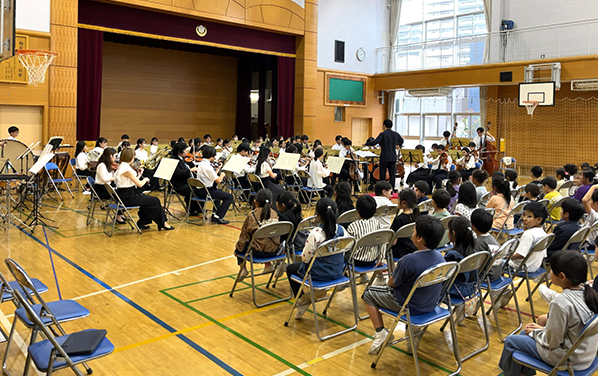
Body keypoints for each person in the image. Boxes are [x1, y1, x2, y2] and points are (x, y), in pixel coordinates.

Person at [498, 250, 598, 376]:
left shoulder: (561, 303)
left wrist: (537, 332)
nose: (549, 272)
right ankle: (525, 372)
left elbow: (551, 342)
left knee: (511, 341)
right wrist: (540, 330)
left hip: (567, 359)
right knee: (525, 333)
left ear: (562, 276)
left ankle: (509, 373)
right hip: (585, 355)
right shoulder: (588, 292)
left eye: (552, 269)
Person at [362, 215, 446, 355]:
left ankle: (380, 332)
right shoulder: (441, 257)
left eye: (414, 231)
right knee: (413, 291)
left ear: (419, 238)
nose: (412, 233)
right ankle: (413, 331)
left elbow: (392, 283)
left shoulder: (408, 260)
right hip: (430, 304)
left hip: (408, 306)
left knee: (368, 293)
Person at [286, 198, 347, 319]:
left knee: (290, 269)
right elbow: (346, 250)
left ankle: (302, 299)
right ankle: (310, 295)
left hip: (318, 275)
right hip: (338, 272)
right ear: (335, 212)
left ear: (317, 214)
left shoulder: (316, 233)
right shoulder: (342, 230)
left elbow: (305, 259)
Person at [114, 149, 173, 231]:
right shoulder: (127, 169)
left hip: (124, 195)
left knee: (147, 200)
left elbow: (131, 181)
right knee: (154, 200)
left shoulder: (121, 167)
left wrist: (139, 175)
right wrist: (145, 179)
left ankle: (143, 222)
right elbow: (140, 184)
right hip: (128, 197)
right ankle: (163, 223)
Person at [234, 189, 281, 280]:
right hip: (274, 252)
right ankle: (268, 265)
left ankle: (243, 268)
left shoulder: (252, 215)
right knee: (265, 240)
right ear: (271, 203)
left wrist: (237, 251)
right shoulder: (274, 213)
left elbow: (244, 237)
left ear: (255, 202)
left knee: (241, 245)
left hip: (257, 253)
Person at [444, 216, 477, 324]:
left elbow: (444, 276)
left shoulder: (452, 256)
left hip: (454, 291)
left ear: (453, 233)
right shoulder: (474, 251)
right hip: (471, 289)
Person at [196, 145, 233, 224]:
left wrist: (218, 169)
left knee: (219, 191)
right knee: (229, 197)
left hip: (200, 190)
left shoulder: (201, 164)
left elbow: (211, 176)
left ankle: (215, 214)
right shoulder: (208, 167)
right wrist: (222, 175)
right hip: (206, 192)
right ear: (212, 156)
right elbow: (218, 181)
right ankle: (218, 216)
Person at [508, 202, 549, 273]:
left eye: (529, 216)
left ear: (539, 219)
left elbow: (521, 255)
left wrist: (507, 257)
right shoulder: (544, 234)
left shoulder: (528, 234)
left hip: (521, 268)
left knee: (498, 262)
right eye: (524, 215)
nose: (524, 218)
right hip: (535, 266)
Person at [365, 119, 404, 191]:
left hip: (384, 157)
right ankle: (391, 188)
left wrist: (366, 144)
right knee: (392, 174)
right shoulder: (395, 134)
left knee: (382, 174)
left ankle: (382, 189)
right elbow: (401, 140)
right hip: (393, 157)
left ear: (384, 126)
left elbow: (374, 142)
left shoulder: (383, 134)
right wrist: (395, 143)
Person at [346, 195, 385, 268]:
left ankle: (359, 277)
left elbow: (348, 247)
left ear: (357, 211)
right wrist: (381, 259)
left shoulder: (352, 226)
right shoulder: (379, 224)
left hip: (356, 261)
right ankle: (364, 277)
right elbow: (383, 243)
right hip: (372, 260)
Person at [170, 141, 202, 216]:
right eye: (185, 150)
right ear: (179, 152)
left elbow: (192, 166)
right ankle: (191, 209)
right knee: (191, 189)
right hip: (179, 184)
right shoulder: (174, 160)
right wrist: (190, 170)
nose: (187, 152)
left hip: (187, 181)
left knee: (200, 186)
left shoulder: (185, 158)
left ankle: (198, 208)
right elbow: (177, 173)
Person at [471, 209, 501, 281]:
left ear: (473, 225)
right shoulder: (491, 238)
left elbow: (474, 263)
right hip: (497, 273)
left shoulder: (478, 242)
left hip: (486, 276)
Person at [390, 188, 419, 259]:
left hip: (401, 251)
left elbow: (393, 242)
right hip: (414, 247)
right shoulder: (417, 215)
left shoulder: (399, 219)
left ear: (403, 202)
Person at [581, 184, 598, 250]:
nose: (589, 202)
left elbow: (584, 200)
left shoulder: (594, 215)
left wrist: (593, 187)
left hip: (588, 243)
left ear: (596, 203)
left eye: (590, 200)